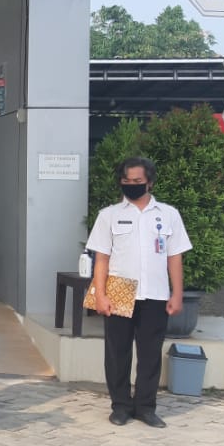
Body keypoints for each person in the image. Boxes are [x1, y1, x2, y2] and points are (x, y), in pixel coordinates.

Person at [87, 156, 191, 429]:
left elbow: (175, 257)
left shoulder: (168, 214)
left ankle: (145, 407)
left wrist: (177, 293)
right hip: (119, 292)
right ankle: (120, 406)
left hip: (155, 294)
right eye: (126, 181)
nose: (131, 185)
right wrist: (100, 295)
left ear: (150, 182)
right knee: (117, 353)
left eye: (137, 181)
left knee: (150, 354)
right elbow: (101, 259)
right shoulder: (109, 215)